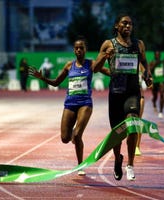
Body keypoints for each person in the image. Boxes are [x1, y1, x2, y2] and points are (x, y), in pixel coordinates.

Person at [29, 36, 109, 176]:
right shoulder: (68, 66)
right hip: (70, 103)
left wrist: (119, 72)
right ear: (73, 50)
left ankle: (80, 165)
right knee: (65, 138)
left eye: (81, 48)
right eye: (76, 48)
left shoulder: (91, 64)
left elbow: (108, 72)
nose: (79, 50)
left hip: (85, 103)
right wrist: (42, 78)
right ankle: (73, 135)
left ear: (85, 50)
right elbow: (56, 83)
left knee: (77, 135)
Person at [93, 13, 152, 181]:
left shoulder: (138, 44)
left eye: (130, 24)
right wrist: (105, 55)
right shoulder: (108, 44)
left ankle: (130, 164)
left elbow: (144, 62)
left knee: (132, 124)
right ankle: (118, 159)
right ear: (116, 26)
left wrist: (147, 75)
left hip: (132, 93)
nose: (128, 26)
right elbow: (95, 69)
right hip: (116, 94)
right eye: (124, 23)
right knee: (118, 133)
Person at [150, 51, 164, 119]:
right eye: (156, 55)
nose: (157, 56)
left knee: (162, 94)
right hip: (154, 81)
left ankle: (161, 112)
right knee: (155, 96)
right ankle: (153, 102)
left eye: (158, 55)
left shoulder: (162, 62)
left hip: (161, 80)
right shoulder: (152, 62)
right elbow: (150, 70)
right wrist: (155, 64)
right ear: (154, 56)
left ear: (160, 55)